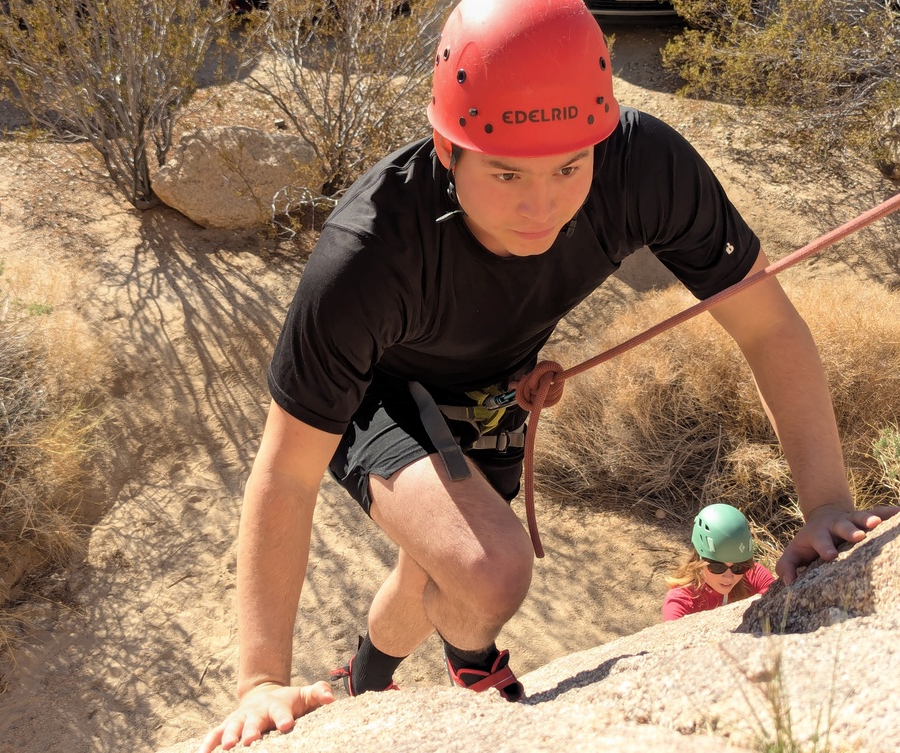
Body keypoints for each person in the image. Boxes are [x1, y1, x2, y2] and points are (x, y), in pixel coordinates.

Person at [197, 1, 896, 749]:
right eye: (505, 172)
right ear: (446, 148)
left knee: (438, 567)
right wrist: (259, 679)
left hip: (496, 385)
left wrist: (826, 505)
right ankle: (470, 661)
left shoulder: (642, 168)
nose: (542, 205)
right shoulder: (368, 253)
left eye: (570, 166)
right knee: (491, 570)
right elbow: (286, 471)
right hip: (379, 391)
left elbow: (768, 326)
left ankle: (363, 677)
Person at [662, 504, 775, 621]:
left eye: (738, 568)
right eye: (717, 567)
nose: (729, 577)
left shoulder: (755, 575)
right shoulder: (680, 602)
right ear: (699, 560)